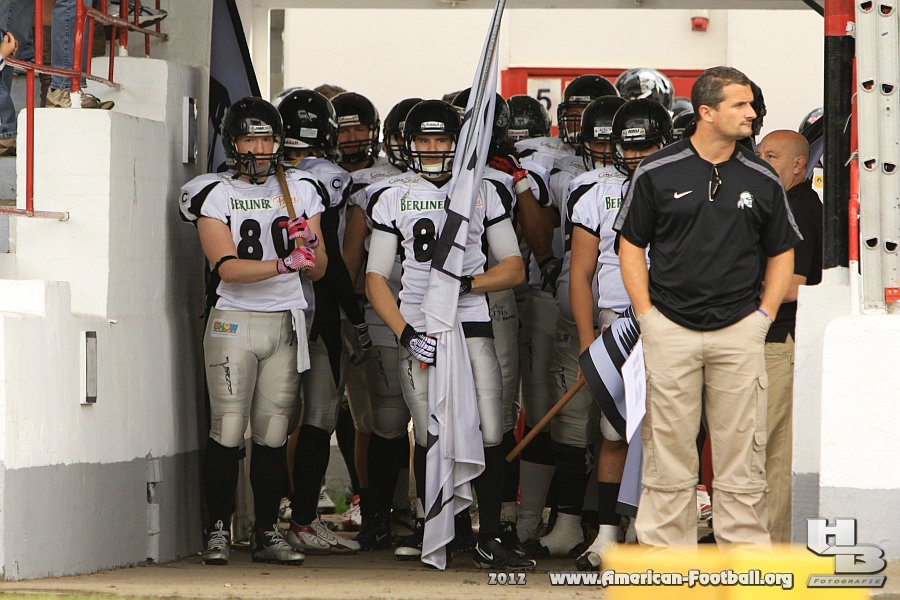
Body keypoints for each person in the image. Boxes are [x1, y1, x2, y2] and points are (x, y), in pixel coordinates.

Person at [614, 66, 801, 548]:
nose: (751, 113)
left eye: (751, 104)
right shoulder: (656, 170)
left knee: (743, 455)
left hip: (740, 331)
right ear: (707, 112)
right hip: (669, 329)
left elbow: (783, 252)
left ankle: (744, 558)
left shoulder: (761, 176)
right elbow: (630, 246)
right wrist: (647, 316)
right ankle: (666, 560)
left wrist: (762, 318)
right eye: (740, 104)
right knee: (667, 453)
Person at [365, 99, 534, 570]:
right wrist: (404, 333)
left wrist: (467, 283)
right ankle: (443, 528)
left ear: (458, 143)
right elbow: (375, 278)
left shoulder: (485, 188)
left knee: (490, 427)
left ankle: (490, 535)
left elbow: (514, 268)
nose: (433, 148)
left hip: (472, 319)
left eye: (442, 139)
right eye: (424, 139)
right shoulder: (391, 194)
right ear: (408, 144)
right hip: (419, 323)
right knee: (430, 431)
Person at [179, 97, 327, 566]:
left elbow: (320, 268)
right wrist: (283, 264)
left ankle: (266, 532)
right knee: (227, 427)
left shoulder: (300, 188)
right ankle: (217, 530)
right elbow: (226, 267)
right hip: (233, 320)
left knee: (274, 430)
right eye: (250, 138)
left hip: (285, 320)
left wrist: (309, 243)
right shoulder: (214, 192)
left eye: (267, 139)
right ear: (233, 142)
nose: (260, 148)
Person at [568, 98, 671, 570]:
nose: (636, 156)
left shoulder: (682, 183)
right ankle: (607, 534)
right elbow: (581, 272)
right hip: (618, 321)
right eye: (628, 147)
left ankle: (648, 530)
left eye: (646, 146)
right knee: (613, 430)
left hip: (669, 321)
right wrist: (586, 339)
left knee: (666, 431)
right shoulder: (595, 191)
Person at [276, 88, 364, 555]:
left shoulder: (251, 176)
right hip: (315, 309)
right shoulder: (328, 179)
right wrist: (354, 313)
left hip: (265, 305)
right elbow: (330, 260)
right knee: (319, 415)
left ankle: (268, 519)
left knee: (270, 420)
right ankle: (304, 520)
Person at [756, 129, 822, 543]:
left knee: (774, 454)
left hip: (778, 345)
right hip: (766, 343)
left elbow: (793, 286)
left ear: (799, 165)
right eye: (760, 154)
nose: (762, 162)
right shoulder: (778, 206)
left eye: (772, 156)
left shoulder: (799, 208)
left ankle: (772, 549)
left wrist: (732, 293)